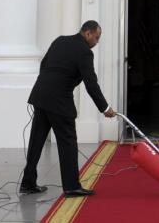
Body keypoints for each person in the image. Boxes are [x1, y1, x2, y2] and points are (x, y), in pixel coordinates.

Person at [21, 20, 117, 198]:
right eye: (96, 38)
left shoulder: (60, 40)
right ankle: (72, 187)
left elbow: (44, 65)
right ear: (87, 33)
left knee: (36, 140)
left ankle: (27, 183)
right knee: (68, 143)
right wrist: (105, 108)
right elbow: (91, 84)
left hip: (41, 95)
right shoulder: (85, 52)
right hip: (59, 101)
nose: (97, 42)